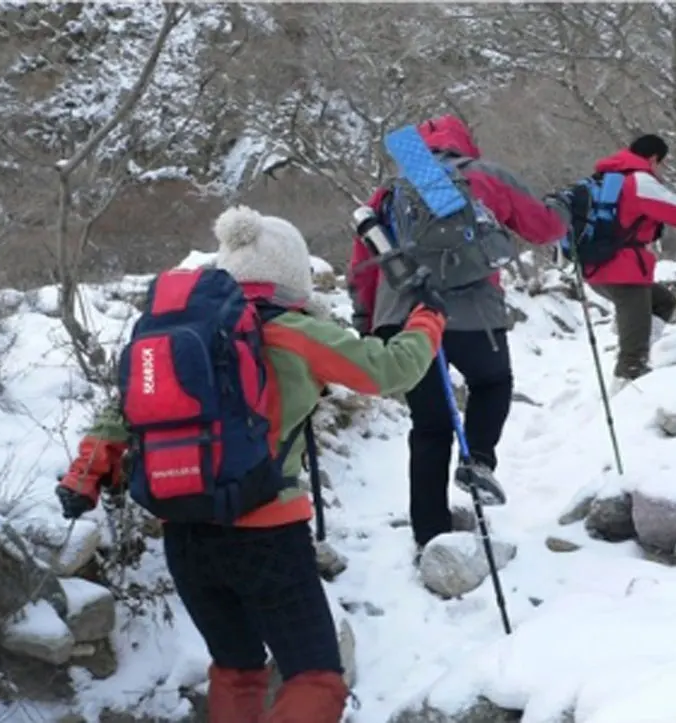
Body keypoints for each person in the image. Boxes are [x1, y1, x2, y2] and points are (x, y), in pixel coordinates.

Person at [56, 205, 447, 723]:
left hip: (186, 537)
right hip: (266, 536)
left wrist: (84, 475)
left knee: (237, 670)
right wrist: (428, 319)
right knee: (315, 678)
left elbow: (119, 413)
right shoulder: (294, 331)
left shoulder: (172, 338)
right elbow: (392, 370)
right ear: (292, 276)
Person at [348, 114, 567, 557]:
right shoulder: (482, 176)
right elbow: (546, 228)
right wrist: (563, 207)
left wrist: (368, 322)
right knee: (492, 383)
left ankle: (430, 536)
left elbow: (363, 263)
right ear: (462, 141)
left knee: (429, 427)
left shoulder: (389, 192)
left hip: (404, 315)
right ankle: (478, 460)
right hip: (472, 314)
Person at [549, 134, 676, 393]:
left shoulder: (606, 178)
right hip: (623, 271)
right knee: (632, 360)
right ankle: (628, 393)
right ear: (654, 158)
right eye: (662, 163)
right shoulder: (637, 181)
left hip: (597, 267)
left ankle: (638, 344)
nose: (662, 170)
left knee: (663, 301)